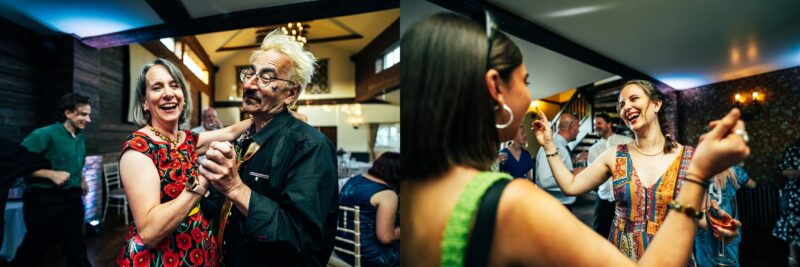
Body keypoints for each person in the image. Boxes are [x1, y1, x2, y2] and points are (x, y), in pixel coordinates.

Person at [402, 12, 749, 266]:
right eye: (526, 80)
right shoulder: (515, 201)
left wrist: (711, 220)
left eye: (634, 99)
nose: (529, 95)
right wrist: (701, 171)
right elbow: (570, 185)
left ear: (656, 105)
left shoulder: (412, 189)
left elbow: (697, 214)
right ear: (495, 88)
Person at [198, 29, 338, 266]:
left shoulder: (310, 146)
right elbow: (222, 203)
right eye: (249, 73)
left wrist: (235, 188)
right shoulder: (244, 138)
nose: (250, 84)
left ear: (290, 93)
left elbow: (303, 240)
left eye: (266, 77)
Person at [115, 58, 252, 266]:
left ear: (183, 97)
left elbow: (231, 131)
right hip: (161, 257)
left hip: (198, 243)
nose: (168, 93)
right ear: (145, 101)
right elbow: (150, 232)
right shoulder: (138, 149)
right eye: (157, 87)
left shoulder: (186, 139)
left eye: (174, 85)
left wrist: (272, 116)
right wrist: (202, 181)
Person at [10, 93, 92, 267]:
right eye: (83, 114)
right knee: (36, 245)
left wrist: (82, 179)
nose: (88, 119)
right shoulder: (43, 134)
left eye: (88, 114)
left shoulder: (80, 136)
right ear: (68, 113)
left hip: (72, 198)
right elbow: (17, 165)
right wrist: (51, 174)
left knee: (76, 242)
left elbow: (77, 162)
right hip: (44, 199)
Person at [337, 152, 400, 267]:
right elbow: (386, 237)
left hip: (342, 247)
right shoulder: (387, 194)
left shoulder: (354, 180)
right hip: (369, 256)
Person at [694, 165, 756, 267]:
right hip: (728, 224)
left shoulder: (699, 168)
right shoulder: (735, 169)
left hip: (705, 224)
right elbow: (752, 185)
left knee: (706, 262)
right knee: (730, 262)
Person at [587, 113, 633, 238]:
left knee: (625, 234)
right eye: (595, 124)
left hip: (626, 199)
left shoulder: (626, 142)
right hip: (603, 198)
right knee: (600, 233)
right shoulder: (593, 149)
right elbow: (592, 175)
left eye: (599, 123)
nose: (596, 126)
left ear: (609, 124)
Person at [535, 113, 582, 211]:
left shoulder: (560, 146)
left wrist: (575, 161)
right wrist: (573, 174)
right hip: (554, 208)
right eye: (578, 126)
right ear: (571, 127)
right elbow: (546, 181)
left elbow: (557, 168)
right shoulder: (554, 145)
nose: (579, 130)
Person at [774, 138, 800, 267]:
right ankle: (793, 257)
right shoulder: (794, 150)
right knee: (793, 225)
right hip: (795, 195)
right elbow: (783, 171)